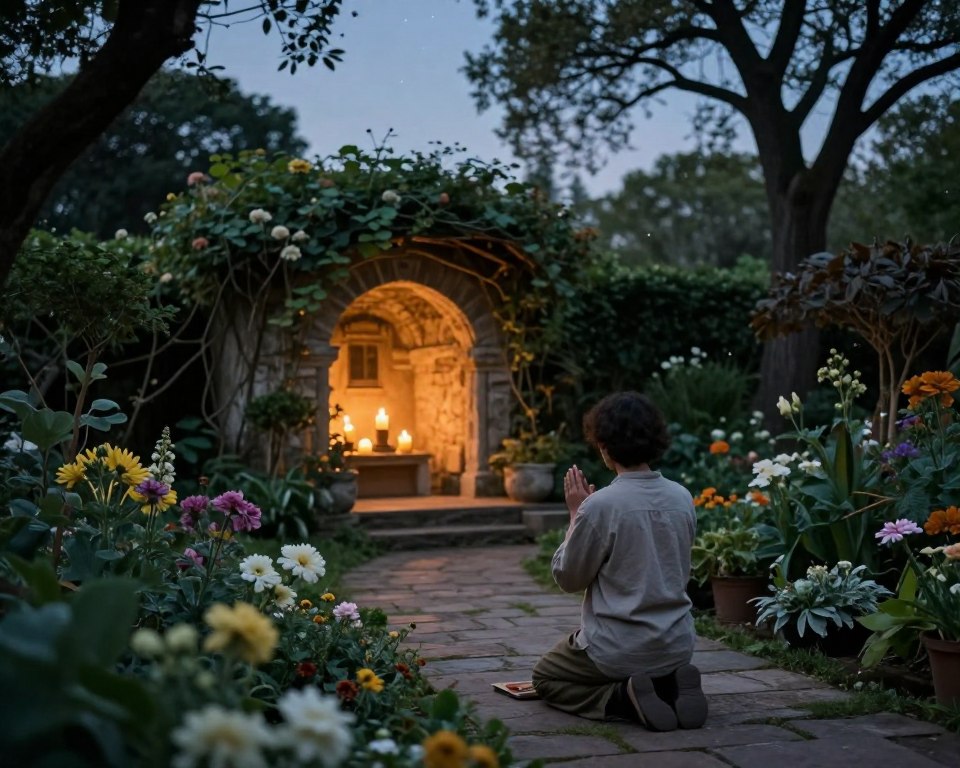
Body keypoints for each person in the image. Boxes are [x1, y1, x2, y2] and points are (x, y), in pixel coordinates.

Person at [531, 391, 707, 731]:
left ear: (605, 447)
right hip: (677, 644)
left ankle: (623, 700)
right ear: (657, 440)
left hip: (618, 649)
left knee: (546, 677)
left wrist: (575, 514)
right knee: (651, 664)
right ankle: (667, 687)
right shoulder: (681, 497)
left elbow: (568, 577)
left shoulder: (600, 506)